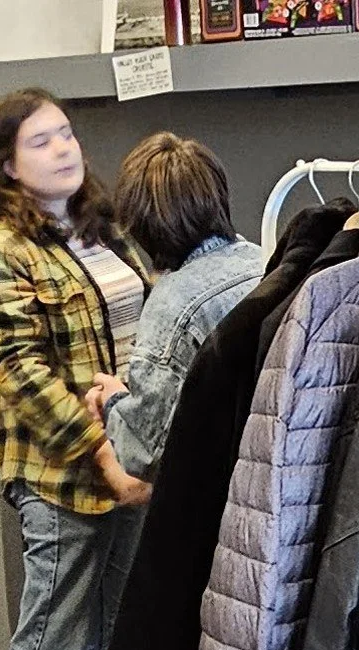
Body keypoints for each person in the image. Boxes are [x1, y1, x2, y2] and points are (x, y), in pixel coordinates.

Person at [0, 87, 152, 650]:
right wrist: (104, 455)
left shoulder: (102, 229)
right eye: (41, 141)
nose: (64, 149)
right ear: (7, 166)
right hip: (60, 472)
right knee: (52, 645)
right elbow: (22, 375)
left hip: (128, 453)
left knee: (106, 636)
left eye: (66, 133)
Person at [87, 133, 263, 482]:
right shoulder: (266, 261)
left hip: (220, 491)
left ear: (140, 224)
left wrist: (113, 403)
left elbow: (149, 451)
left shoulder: (171, 307)